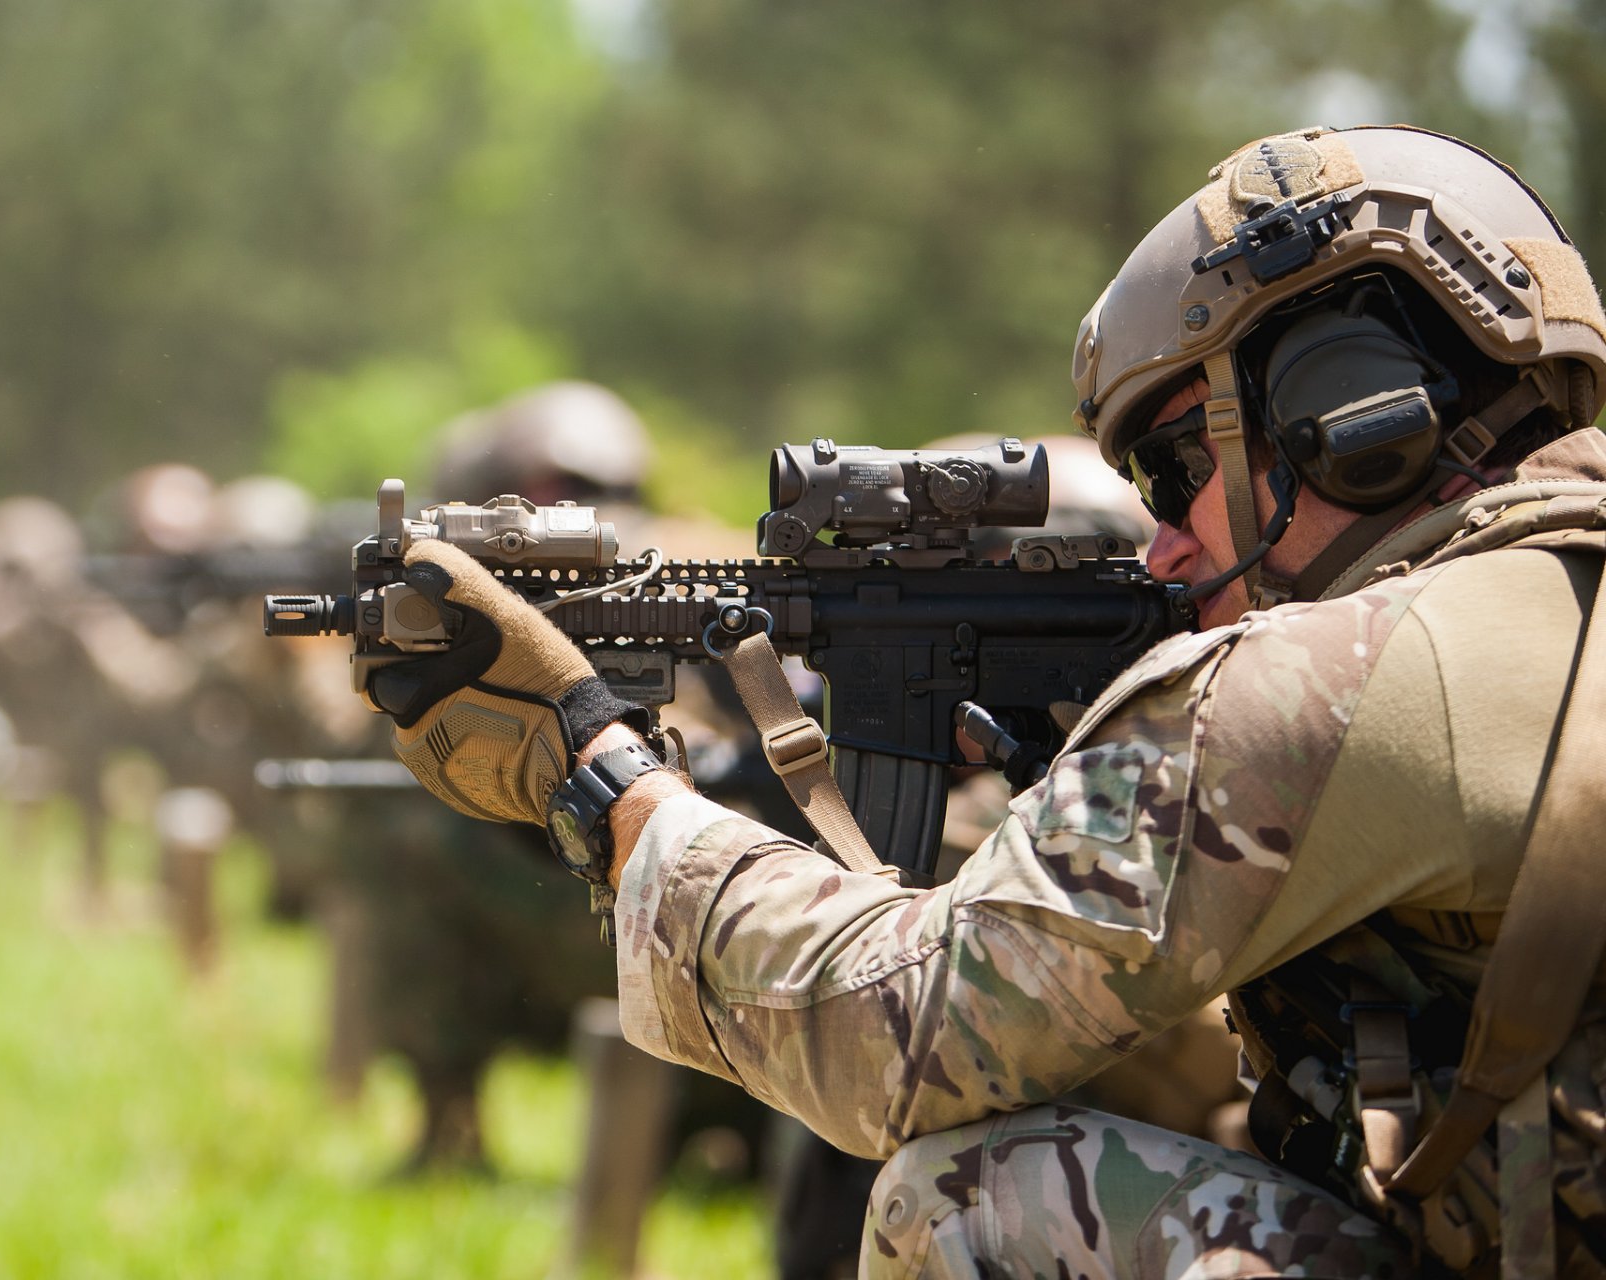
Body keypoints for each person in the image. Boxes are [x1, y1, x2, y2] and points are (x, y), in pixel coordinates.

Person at [358, 126, 1606, 1276]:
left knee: (972, 1191)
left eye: (1178, 470)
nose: (1166, 547)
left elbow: (891, 1038)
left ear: (1344, 416)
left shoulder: (1325, 682)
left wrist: (599, 780)